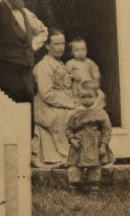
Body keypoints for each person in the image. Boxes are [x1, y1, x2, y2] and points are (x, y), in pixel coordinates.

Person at [32, 30, 80, 167]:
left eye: (63, 44)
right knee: (72, 115)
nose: (61, 47)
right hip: (46, 107)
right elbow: (47, 94)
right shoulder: (43, 66)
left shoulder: (61, 64)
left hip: (60, 103)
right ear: (47, 46)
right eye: (56, 44)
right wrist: (70, 103)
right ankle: (67, 155)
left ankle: (87, 155)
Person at [65, 80, 114, 194]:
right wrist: (72, 139)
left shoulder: (100, 113)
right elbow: (68, 128)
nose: (86, 100)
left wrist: (103, 145)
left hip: (94, 144)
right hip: (79, 145)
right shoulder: (75, 113)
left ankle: (94, 189)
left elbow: (107, 129)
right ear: (78, 98)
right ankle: (74, 188)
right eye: (83, 97)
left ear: (96, 96)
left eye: (90, 97)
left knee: (95, 167)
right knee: (74, 167)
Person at [65, 36, 105, 109]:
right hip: (78, 86)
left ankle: (94, 107)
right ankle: (81, 108)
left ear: (87, 50)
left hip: (90, 86)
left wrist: (96, 77)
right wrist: (73, 75)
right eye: (77, 50)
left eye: (83, 49)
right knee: (76, 98)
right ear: (71, 52)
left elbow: (95, 70)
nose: (81, 52)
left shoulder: (89, 62)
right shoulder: (70, 63)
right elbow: (66, 73)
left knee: (101, 95)